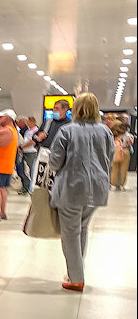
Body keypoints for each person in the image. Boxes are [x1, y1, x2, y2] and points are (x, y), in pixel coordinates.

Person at [49, 93, 114, 292]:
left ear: (75, 109)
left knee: (70, 234)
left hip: (71, 187)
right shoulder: (105, 132)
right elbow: (109, 158)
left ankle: (76, 278)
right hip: (97, 188)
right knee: (82, 229)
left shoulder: (67, 131)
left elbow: (54, 162)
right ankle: (75, 271)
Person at [20, 116, 40, 193]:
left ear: (32, 122)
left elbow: (33, 142)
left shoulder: (36, 130)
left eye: (28, 121)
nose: (27, 123)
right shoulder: (28, 130)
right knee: (24, 170)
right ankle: (25, 186)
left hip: (32, 152)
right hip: (25, 152)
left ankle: (31, 188)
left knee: (32, 170)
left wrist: (23, 146)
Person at [110, 122, 130, 191]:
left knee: (114, 169)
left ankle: (113, 185)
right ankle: (121, 185)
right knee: (123, 170)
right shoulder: (126, 134)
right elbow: (130, 142)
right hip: (125, 151)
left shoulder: (111, 134)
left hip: (114, 152)